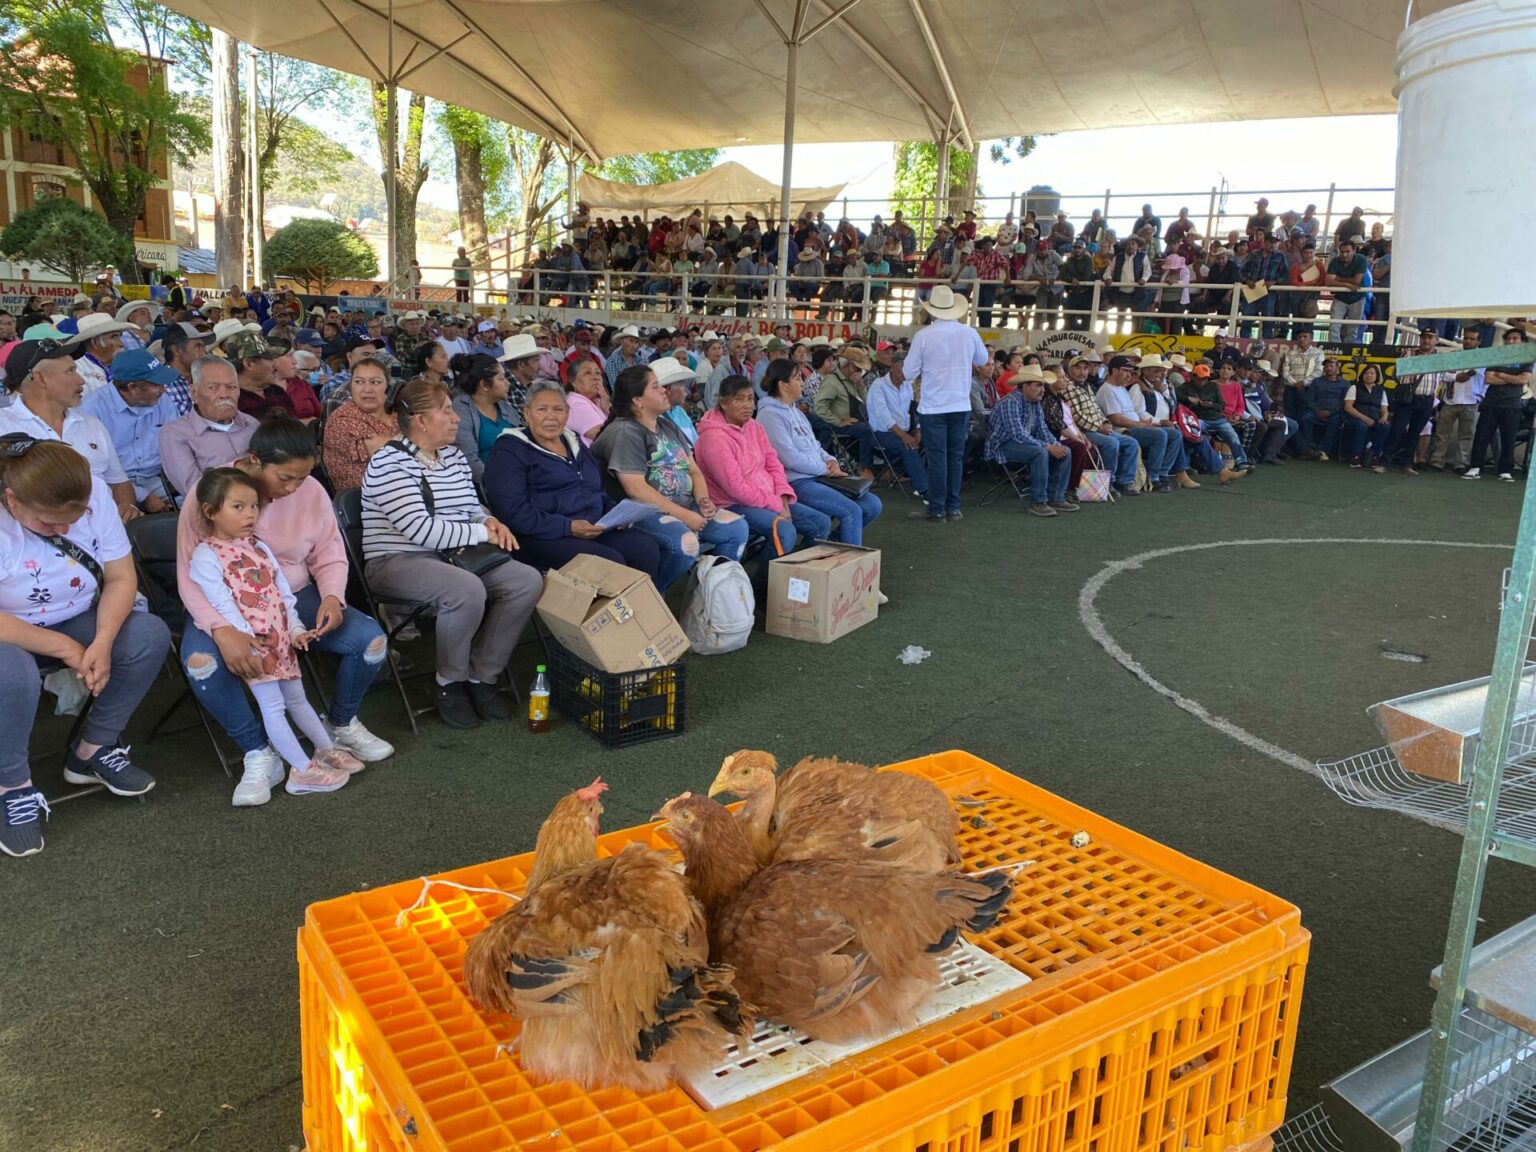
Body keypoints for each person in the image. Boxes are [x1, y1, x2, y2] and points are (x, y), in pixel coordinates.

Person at [177, 419, 394, 805]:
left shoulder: (310, 491)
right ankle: (259, 751)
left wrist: (332, 597)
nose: (294, 487)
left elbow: (329, 550)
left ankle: (340, 724)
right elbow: (190, 578)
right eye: (285, 478)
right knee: (201, 663)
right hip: (223, 607)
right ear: (255, 461)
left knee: (371, 641)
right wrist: (223, 630)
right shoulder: (212, 491)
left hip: (289, 598)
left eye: (303, 477)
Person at [0, 436, 172, 855]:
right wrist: (65, 647)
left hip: (77, 612)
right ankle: (12, 784)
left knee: (147, 636)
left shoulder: (91, 490)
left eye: (73, 521)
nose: (63, 531)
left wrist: (103, 641)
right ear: (12, 500)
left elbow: (121, 577)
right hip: (10, 629)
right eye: (49, 523)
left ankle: (91, 750)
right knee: (13, 674)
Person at [362, 378, 542, 729]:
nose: (456, 417)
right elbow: (420, 531)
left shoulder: (453, 455)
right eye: (446, 411)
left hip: (456, 554)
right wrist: (483, 532)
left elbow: (470, 507)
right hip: (397, 560)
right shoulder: (389, 463)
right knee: (465, 589)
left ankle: (482, 675)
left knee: (526, 580)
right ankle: (449, 682)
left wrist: (488, 520)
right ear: (421, 421)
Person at [186, 468, 359, 796]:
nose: (249, 514)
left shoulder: (259, 548)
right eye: (238, 507)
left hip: (281, 640)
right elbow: (223, 605)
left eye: (254, 506)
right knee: (273, 707)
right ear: (210, 511)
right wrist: (247, 642)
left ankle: (326, 749)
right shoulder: (206, 556)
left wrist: (295, 628)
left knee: (298, 699)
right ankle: (302, 771)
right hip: (254, 645)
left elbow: (283, 594)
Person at [481, 380, 660, 582]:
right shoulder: (510, 450)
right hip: (541, 535)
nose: (551, 416)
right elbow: (512, 511)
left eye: (558, 409)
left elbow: (596, 489)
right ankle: (613, 604)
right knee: (609, 562)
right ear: (527, 413)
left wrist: (615, 515)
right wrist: (568, 526)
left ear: (567, 413)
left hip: (591, 527)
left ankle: (645, 602)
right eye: (542, 409)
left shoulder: (572, 441)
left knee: (644, 548)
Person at [590, 364, 748, 591]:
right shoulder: (626, 431)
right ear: (638, 400)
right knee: (686, 544)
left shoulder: (666, 425)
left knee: (736, 528)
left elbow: (694, 470)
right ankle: (653, 595)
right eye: (656, 387)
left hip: (684, 506)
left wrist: (703, 501)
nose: (664, 390)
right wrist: (686, 516)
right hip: (642, 512)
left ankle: (711, 593)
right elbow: (636, 490)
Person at [694, 374, 829, 586]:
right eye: (739, 399)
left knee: (820, 523)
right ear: (724, 403)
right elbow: (736, 488)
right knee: (784, 531)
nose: (747, 405)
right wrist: (776, 505)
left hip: (768, 498)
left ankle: (799, 581)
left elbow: (773, 464)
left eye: (750, 398)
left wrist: (783, 497)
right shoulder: (713, 438)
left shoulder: (754, 426)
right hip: (731, 504)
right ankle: (764, 589)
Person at [0, 336, 139, 521]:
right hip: (39, 535)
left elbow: (119, 481)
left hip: (104, 531)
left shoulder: (91, 423)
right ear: (40, 378)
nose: (81, 381)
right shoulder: (4, 427)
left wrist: (127, 507)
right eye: (70, 371)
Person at [756, 359, 882, 547]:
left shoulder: (796, 412)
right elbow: (789, 458)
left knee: (872, 505)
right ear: (783, 385)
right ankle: (847, 560)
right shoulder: (769, 415)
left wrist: (831, 460)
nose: (803, 383)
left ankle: (832, 546)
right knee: (852, 510)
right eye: (798, 378)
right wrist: (825, 469)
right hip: (796, 482)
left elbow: (815, 445)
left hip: (818, 476)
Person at [902, 285, 988, 522]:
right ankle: (953, 507)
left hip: (934, 406)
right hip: (960, 404)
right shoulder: (969, 333)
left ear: (932, 309)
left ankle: (937, 508)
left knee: (937, 458)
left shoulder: (923, 336)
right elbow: (982, 359)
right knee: (955, 457)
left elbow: (908, 372)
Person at [79, 349, 181, 514]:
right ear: (132, 387)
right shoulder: (91, 410)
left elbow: (178, 446)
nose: (163, 390)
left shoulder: (163, 401)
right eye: (156, 384)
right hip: (111, 487)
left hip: (159, 480)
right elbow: (94, 472)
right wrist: (143, 496)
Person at [159, 356, 261, 500]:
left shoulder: (251, 424)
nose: (224, 394)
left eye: (231, 387)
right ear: (194, 393)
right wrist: (239, 467)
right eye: (213, 388)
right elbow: (194, 491)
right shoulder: (175, 434)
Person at [985, 369, 1077, 517]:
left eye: (1043, 385)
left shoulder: (1035, 403)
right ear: (1025, 386)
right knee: (1040, 452)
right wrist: (1048, 446)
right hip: (1002, 446)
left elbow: (1043, 430)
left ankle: (1056, 498)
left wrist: (1056, 445)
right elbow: (1017, 434)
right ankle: (1038, 502)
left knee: (1065, 450)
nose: (1043, 389)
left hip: (1022, 444)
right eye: (1038, 385)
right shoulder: (1010, 402)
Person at [1097, 356, 1183, 492]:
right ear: (1114, 371)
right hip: (1122, 429)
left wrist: (1144, 423)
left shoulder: (1121, 388)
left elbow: (1132, 412)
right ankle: (1154, 478)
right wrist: (1139, 424)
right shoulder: (1107, 390)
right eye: (1125, 371)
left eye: (1130, 372)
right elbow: (1116, 419)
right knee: (1159, 435)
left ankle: (1162, 473)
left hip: (1134, 424)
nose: (1129, 375)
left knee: (1175, 434)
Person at [1464, 330, 1533, 482]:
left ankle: (1505, 470)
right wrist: (1512, 378)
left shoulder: (1526, 360)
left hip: (1512, 405)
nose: (1511, 341)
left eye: (1515, 339)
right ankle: (1475, 467)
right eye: (1508, 339)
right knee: (1482, 436)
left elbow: (1523, 380)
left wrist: (1501, 375)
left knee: (1508, 438)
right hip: (1491, 403)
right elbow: (1489, 379)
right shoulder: (1496, 357)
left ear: (1522, 341)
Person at [322, 355, 395, 491]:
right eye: (359, 382)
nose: (367, 389)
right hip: (367, 497)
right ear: (351, 387)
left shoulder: (396, 414)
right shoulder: (342, 419)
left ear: (388, 387)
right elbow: (392, 452)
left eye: (375, 382)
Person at [1388, 328, 1451, 476]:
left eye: (1430, 337)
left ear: (1436, 340)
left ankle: (1406, 465)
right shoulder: (1409, 353)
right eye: (1424, 337)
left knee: (1415, 434)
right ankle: (1384, 462)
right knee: (1396, 430)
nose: (1426, 340)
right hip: (1408, 398)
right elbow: (1396, 373)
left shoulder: (1441, 358)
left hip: (1427, 399)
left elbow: (1444, 376)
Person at [449, 352, 520, 483]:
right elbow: (469, 459)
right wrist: (497, 484)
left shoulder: (504, 406)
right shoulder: (461, 408)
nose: (508, 383)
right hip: (492, 483)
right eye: (501, 378)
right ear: (484, 385)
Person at [866, 355, 927, 498]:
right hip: (881, 433)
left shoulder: (907, 386)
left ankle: (930, 482)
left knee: (932, 441)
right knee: (909, 447)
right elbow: (884, 418)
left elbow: (912, 412)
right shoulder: (879, 385)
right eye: (902, 365)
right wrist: (905, 436)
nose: (906, 369)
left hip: (904, 431)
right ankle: (926, 490)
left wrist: (917, 430)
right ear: (892, 366)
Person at [1177, 362, 1252, 475]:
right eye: (1200, 378)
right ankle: (1187, 465)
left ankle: (1241, 461)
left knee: (1232, 436)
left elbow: (1221, 405)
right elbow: (1175, 394)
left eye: (1205, 378)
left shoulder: (1213, 386)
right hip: (1198, 418)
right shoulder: (1186, 386)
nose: (1203, 381)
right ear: (1194, 376)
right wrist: (1189, 399)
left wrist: (1211, 405)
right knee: (1192, 435)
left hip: (1216, 418)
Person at [813, 347, 877, 478]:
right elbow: (819, 407)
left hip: (853, 421)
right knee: (866, 430)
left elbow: (867, 403)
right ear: (849, 366)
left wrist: (861, 387)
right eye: (857, 367)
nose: (860, 371)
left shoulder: (853, 380)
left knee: (874, 426)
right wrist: (839, 421)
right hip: (836, 424)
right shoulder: (832, 382)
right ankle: (864, 467)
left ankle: (866, 465)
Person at [1431, 329, 1486, 472]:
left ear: (1479, 341)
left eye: (1472, 339)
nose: (1467, 341)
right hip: (1450, 400)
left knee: (1466, 435)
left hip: (1471, 401)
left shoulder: (1484, 358)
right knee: (1442, 434)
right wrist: (1455, 377)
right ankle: (1437, 462)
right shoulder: (1453, 356)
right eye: (1466, 338)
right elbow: (1442, 374)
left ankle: (1461, 464)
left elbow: (1486, 380)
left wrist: (1481, 395)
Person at [1340, 363, 1391, 470]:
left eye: (1372, 373)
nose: (1369, 375)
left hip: (1374, 418)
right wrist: (1364, 418)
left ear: (1377, 376)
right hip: (1355, 418)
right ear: (1362, 375)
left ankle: (1373, 455)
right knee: (1361, 426)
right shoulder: (1354, 387)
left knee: (1385, 427)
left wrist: (1384, 417)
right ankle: (1356, 456)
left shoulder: (1381, 390)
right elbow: (1348, 407)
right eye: (1366, 373)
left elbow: (1384, 410)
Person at [1326, 240, 1369, 344]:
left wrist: (1338, 278)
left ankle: (1347, 349)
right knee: (1334, 326)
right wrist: (1348, 285)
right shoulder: (1335, 261)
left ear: (1354, 251)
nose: (1344, 254)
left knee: (1353, 329)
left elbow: (1357, 280)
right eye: (1342, 252)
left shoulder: (1361, 260)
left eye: (1347, 251)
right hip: (1341, 297)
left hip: (1357, 298)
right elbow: (1328, 281)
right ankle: (1334, 348)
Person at [563, 356, 610, 445]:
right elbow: (604, 436)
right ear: (573, 382)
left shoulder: (599, 400)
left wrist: (607, 404)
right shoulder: (575, 403)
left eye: (598, 373)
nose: (596, 377)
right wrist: (609, 409)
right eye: (588, 373)